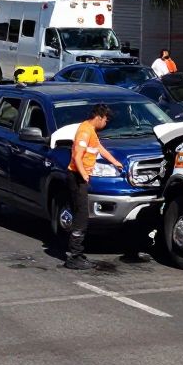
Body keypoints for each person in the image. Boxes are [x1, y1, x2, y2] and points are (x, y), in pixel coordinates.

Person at [66, 104, 124, 270]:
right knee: (81, 217)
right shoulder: (85, 131)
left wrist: (115, 162)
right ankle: (73, 256)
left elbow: (99, 148)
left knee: (82, 215)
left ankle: (77, 253)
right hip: (76, 177)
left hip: (79, 177)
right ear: (98, 117)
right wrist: (84, 174)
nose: (106, 124)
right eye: (105, 120)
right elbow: (77, 156)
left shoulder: (91, 131)